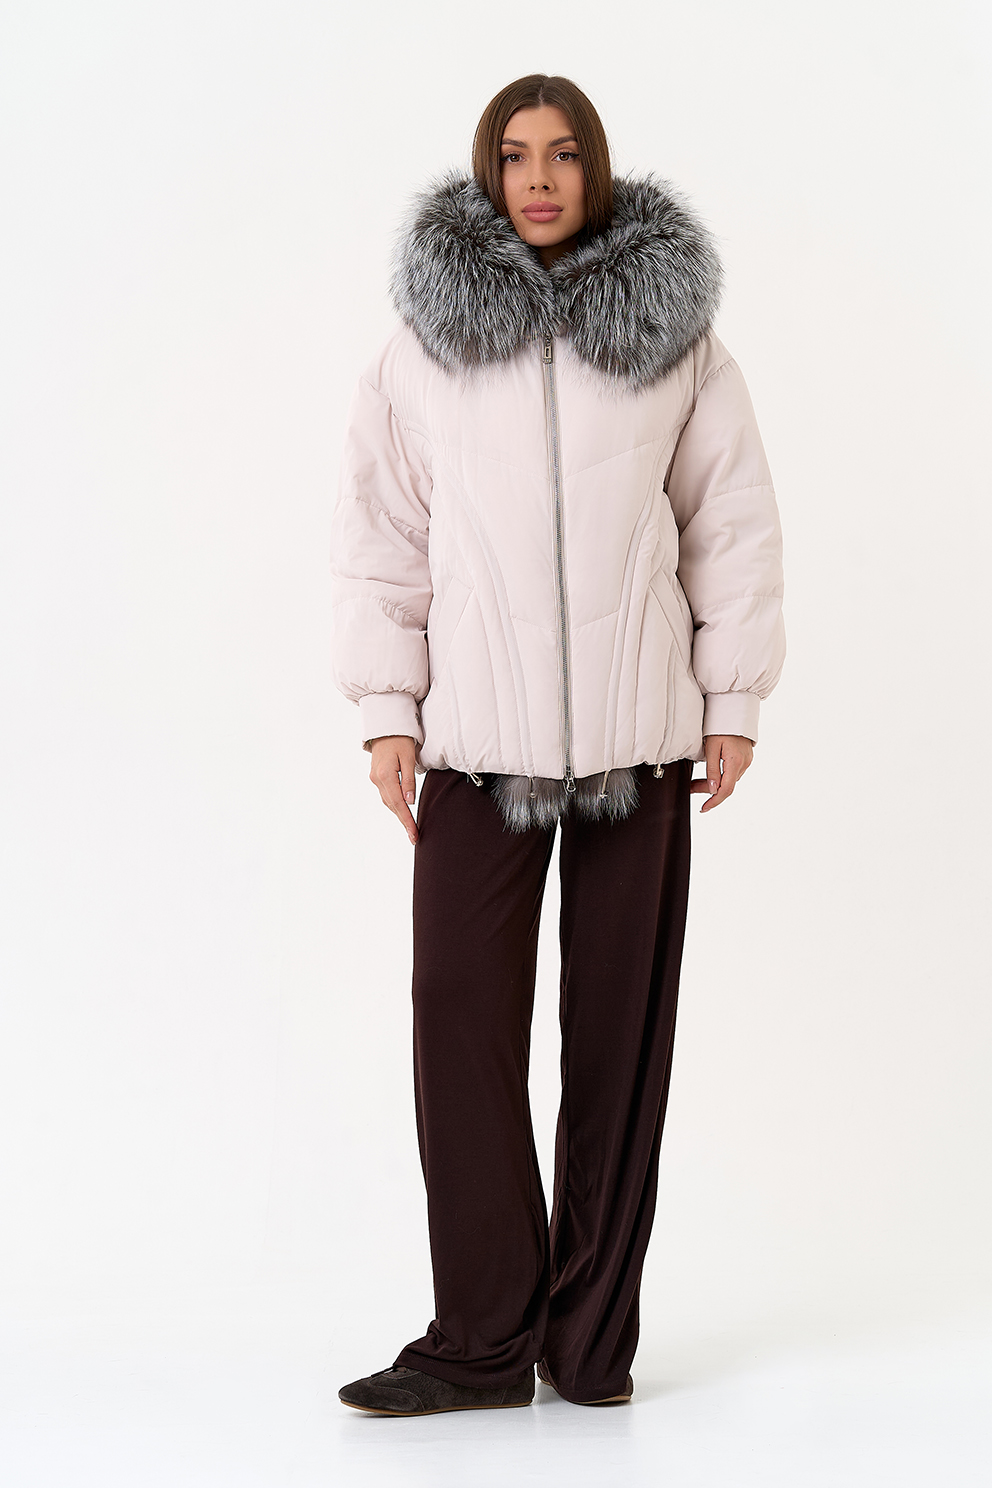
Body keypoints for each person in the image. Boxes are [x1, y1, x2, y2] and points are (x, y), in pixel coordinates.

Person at [330, 73, 785, 1417]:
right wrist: (389, 714)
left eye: (564, 153)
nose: (539, 178)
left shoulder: (675, 337)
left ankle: (588, 1343)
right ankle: (481, 1338)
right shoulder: (423, 347)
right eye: (516, 155)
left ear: (597, 169)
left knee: (617, 1048)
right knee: (459, 1024)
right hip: (477, 748)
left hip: (640, 749)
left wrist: (730, 699)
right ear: (488, 174)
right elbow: (380, 535)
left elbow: (731, 519)